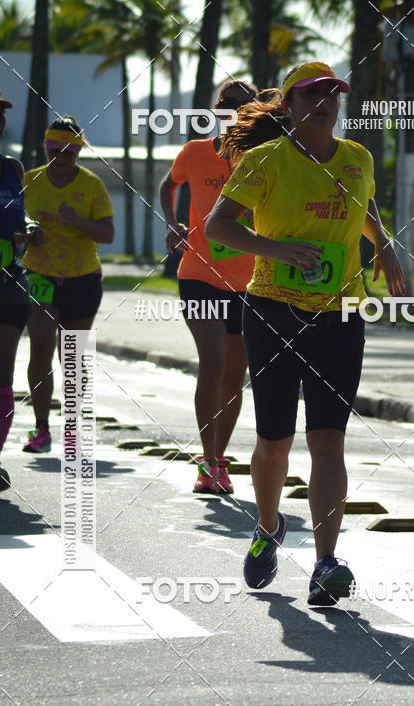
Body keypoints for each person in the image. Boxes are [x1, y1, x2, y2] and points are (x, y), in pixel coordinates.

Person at [206, 62, 405, 605]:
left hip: (339, 313)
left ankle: (325, 562)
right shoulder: (265, 160)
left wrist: (384, 246)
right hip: (272, 309)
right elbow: (217, 227)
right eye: (312, 95)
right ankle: (268, 529)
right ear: (290, 105)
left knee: (329, 440)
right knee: (275, 442)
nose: (325, 102)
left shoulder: (357, 158)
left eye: (333, 95)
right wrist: (275, 249)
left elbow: (364, 209)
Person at [159, 79, 257, 494]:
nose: (232, 111)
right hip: (198, 274)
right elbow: (169, 184)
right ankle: (208, 460)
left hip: (250, 282)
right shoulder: (195, 151)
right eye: (226, 105)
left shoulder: (263, 159)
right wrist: (172, 223)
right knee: (214, 361)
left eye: (242, 106)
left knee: (236, 374)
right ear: (217, 111)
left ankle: (218, 458)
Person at [21, 116, 115, 453]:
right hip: (39, 274)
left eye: (68, 153)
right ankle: (41, 427)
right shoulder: (29, 180)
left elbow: (108, 234)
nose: (60, 159)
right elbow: (12, 225)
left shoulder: (91, 185)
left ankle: (73, 429)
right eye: (54, 150)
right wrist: (29, 233)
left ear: (77, 153)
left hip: (82, 277)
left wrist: (78, 222)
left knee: (72, 356)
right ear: (46, 148)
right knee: (41, 347)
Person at [0, 85, 39, 494]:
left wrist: (31, 231)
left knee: (0, 373)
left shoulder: (13, 169)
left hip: (7, 283)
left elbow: (20, 219)